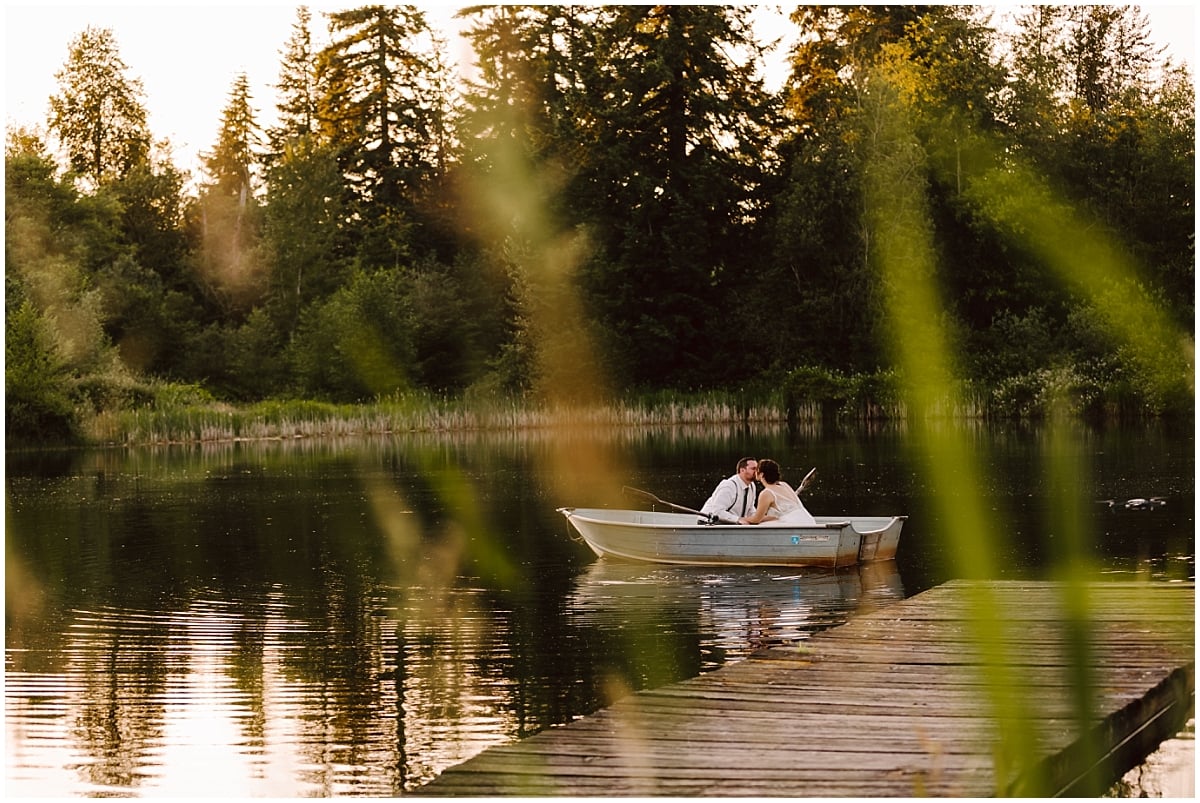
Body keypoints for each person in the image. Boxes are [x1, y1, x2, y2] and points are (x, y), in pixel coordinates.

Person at [739, 458, 816, 526]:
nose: (755, 472)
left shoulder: (766, 493)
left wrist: (741, 519)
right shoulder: (784, 485)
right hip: (808, 520)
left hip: (794, 524)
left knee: (760, 525)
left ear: (761, 474)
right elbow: (774, 516)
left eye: (757, 470)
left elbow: (756, 519)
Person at [698, 457, 758, 524]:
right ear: (742, 470)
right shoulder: (729, 486)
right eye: (753, 469)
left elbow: (750, 509)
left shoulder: (752, 486)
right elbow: (717, 511)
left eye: (757, 469)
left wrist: (758, 517)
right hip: (709, 522)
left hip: (731, 523)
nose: (757, 472)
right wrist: (738, 519)